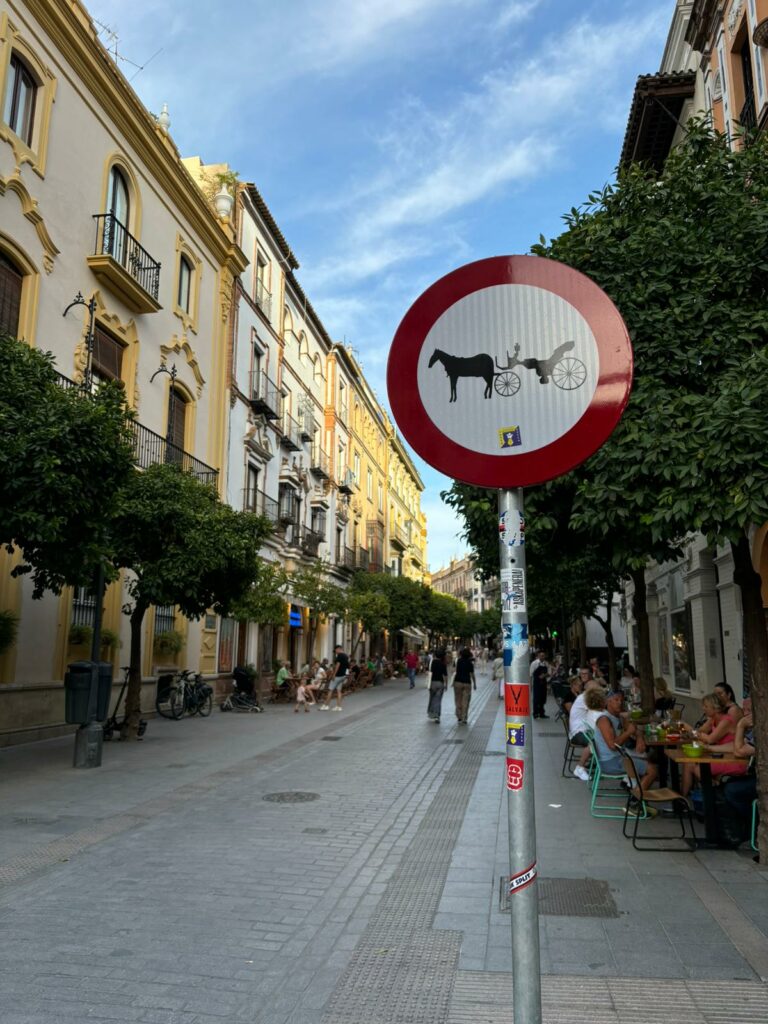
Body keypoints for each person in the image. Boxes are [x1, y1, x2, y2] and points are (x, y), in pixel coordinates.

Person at [680, 692, 749, 796]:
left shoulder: (726, 721)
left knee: (697, 768)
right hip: (721, 756)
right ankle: (683, 798)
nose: (703, 708)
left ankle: (712, 794)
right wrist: (689, 732)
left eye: (706, 706)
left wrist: (687, 727)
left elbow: (710, 739)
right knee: (688, 763)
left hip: (734, 759)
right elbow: (700, 731)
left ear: (715, 708)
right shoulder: (713, 719)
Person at [594, 690, 657, 793]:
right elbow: (613, 746)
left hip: (619, 756)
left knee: (649, 757)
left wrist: (639, 738)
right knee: (653, 770)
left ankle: (629, 782)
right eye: (616, 700)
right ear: (608, 702)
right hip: (610, 762)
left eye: (621, 700)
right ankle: (636, 800)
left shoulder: (619, 717)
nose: (620, 702)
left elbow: (635, 730)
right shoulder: (604, 720)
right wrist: (628, 732)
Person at [568, 677, 602, 781]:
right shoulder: (585, 699)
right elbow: (598, 709)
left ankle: (595, 764)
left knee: (601, 738)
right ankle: (580, 768)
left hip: (580, 730)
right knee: (593, 743)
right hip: (577, 733)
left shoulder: (584, 697)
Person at [320, 645, 348, 711]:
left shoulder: (340, 655)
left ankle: (326, 705)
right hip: (343, 675)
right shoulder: (346, 656)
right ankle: (338, 707)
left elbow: (337, 665)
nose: (335, 652)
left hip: (338, 676)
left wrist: (334, 675)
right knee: (339, 691)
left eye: (335, 651)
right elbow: (347, 666)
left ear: (338, 649)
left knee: (330, 690)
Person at [453, 647, 476, 725]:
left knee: (458, 700)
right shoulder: (470, 663)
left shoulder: (458, 661)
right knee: (465, 701)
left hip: (458, 682)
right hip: (467, 683)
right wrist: (475, 683)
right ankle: (464, 718)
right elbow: (472, 674)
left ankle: (459, 716)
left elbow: (455, 671)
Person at [428, 649, 448, 722]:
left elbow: (431, 672)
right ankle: (437, 715)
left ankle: (431, 713)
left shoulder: (433, 662)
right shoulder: (443, 663)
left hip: (433, 682)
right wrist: (446, 684)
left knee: (432, 698)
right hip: (440, 683)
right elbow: (445, 675)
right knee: (438, 699)